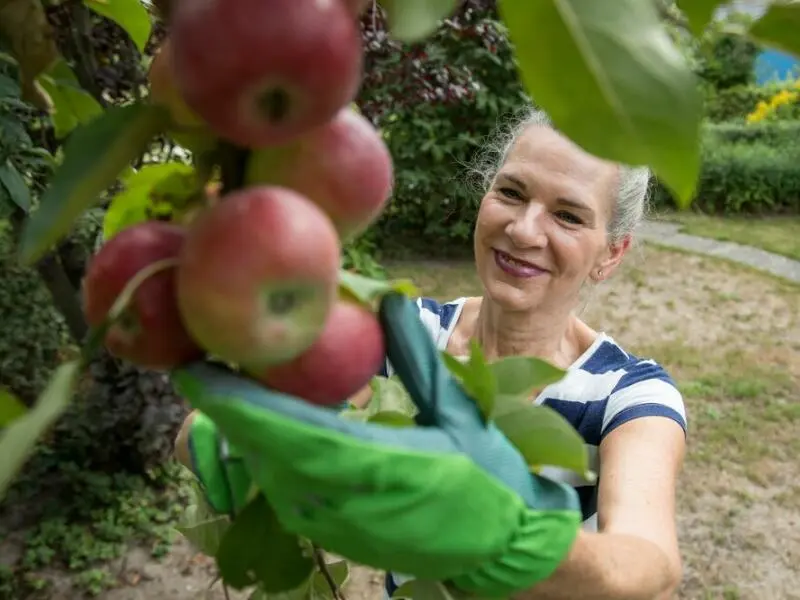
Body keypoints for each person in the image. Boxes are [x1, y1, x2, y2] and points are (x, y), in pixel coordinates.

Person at [172, 107, 688, 600]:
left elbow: (649, 569)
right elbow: (229, 421)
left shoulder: (627, 393)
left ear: (611, 253)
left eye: (569, 215)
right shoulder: (409, 334)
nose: (525, 230)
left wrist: (511, 545)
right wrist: (231, 436)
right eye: (511, 192)